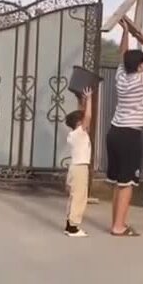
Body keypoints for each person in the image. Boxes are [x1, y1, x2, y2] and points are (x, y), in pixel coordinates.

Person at [105, 19, 143, 237]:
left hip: (114, 133)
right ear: (140, 66)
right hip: (129, 136)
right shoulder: (142, 80)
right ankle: (119, 227)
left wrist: (125, 32)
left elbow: (123, 55)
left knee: (118, 182)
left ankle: (116, 222)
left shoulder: (121, 77)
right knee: (127, 183)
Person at [63, 87, 95, 237]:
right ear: (79, 123)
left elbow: (84, 115)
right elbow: (88, 116)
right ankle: (73, 227)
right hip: (80, 168)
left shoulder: (73, 135)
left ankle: (69, 224)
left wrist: (82, 101)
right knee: (79, 197)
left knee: (74, 196)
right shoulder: (80, 134)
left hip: (74, 167)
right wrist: (89, 99)